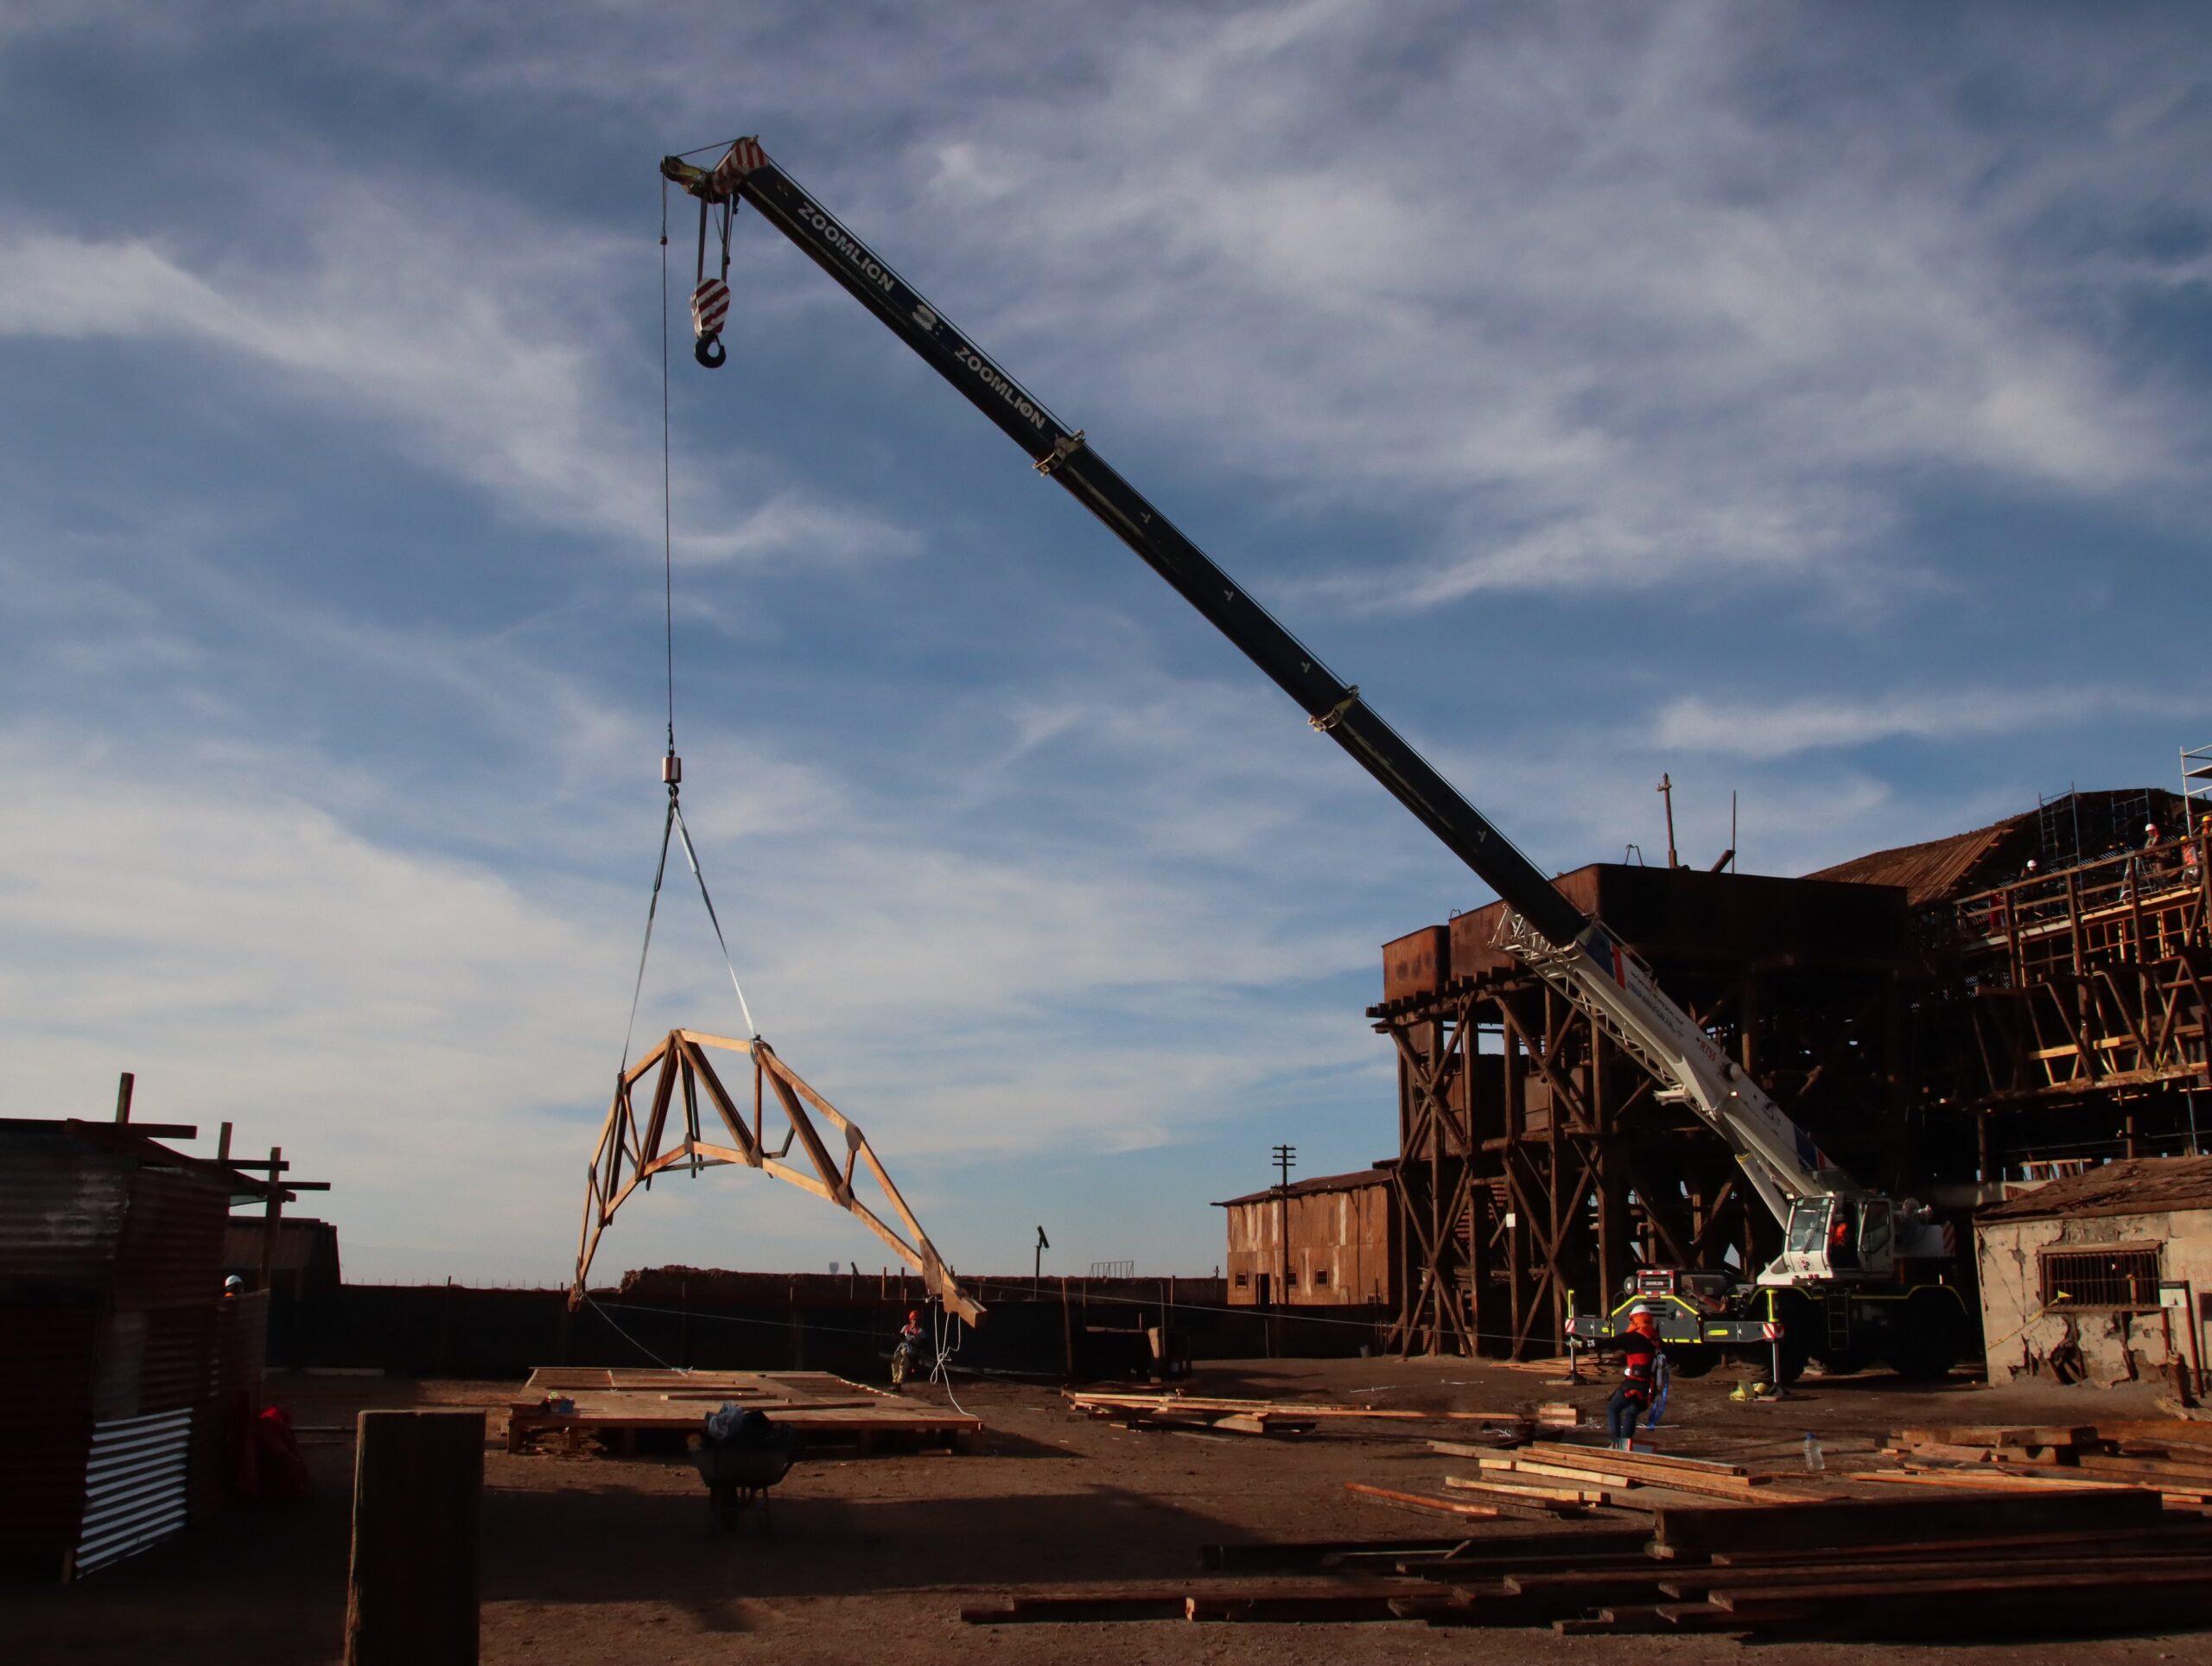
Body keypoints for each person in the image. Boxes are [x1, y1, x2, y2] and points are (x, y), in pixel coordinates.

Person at [1607, 1304, 1662, 1450]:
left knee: (1613, 1408)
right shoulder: (1655, 1339)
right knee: (1631, 1411)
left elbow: (1608, 1343)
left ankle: (1616, 1442)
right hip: (1650, 1389)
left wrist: (1583, 1343)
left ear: (1634, 1320)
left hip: (1634, 1384)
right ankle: (1625, 1444)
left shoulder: (1631, 1337)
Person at [891, 1308, 926, 1387]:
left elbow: (922, 1344)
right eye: (914, 1319)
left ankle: (899, 1384)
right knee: (895, 1362)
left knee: (903, 1363)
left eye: (917, 1319)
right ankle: (895, 1381)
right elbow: (900, 1337)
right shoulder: (905, 1327)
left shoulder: (921, 1331)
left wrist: (913, 1343)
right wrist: (897, 1336)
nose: (915, 1321)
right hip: (902, 1348)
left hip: (912, 1351)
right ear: (911, 1319)